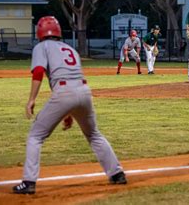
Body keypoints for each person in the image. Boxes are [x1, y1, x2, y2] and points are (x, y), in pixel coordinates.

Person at [13, 16, 126, 195]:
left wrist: (32, 99)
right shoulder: (70, 48)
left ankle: (28, 182)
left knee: (35, 136)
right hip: (84, 92)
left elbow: (39, 72)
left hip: (65, 93)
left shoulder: (41, 47)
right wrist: (68, 113)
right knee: (94, 134)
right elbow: (72, 81)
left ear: (40, 32)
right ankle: (117, 173)